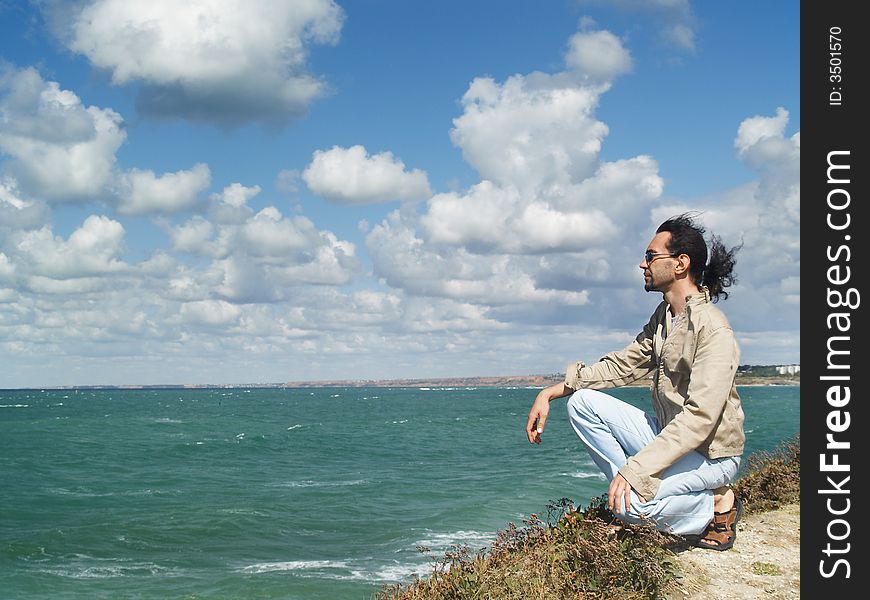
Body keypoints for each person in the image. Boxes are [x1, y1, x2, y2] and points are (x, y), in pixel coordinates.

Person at [525, 213, 745, 550]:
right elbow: (623, 364)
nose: (642, 264)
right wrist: (552, 391)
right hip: (671, 440)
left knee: (633, 505)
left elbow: (699, 419)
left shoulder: (713, 329)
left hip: (712, 457)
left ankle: (716, 503)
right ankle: (629, 499)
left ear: (680, 264)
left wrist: (636, 471)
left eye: (650, 256)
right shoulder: (664, 318)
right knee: (582, 403)